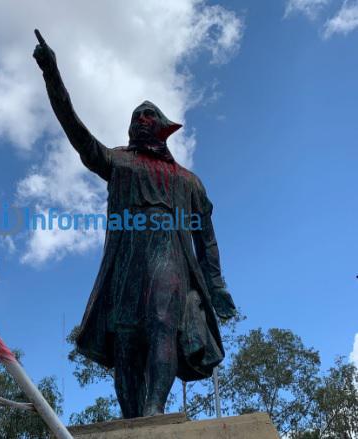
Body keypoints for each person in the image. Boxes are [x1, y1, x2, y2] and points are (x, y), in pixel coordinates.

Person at [33, 29, 236, 418]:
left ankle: (154, 408)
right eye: (136, 116)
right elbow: (77, 133)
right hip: (126, 261)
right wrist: (51, 74)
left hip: (170, 259)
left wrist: (216, 285)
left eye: (149, 114)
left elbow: (206, 240)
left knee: (163, 324)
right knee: (125, 340)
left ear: (162, 125)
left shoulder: (189, 181)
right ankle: (133, 419)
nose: (142, 119)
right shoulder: (119, 161)